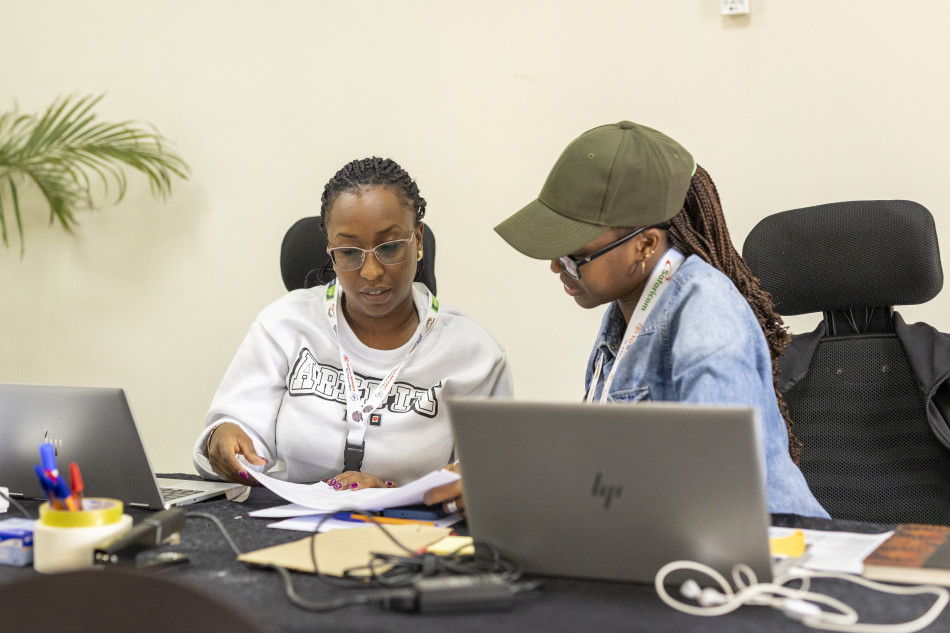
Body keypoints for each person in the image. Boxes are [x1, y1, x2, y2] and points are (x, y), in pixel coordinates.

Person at [427, 121, 827, 519]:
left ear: (646, 245)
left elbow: (713, 486)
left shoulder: (707, 312)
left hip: (774, 558)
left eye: (574, 256)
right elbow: (614, 463)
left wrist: (524, 487)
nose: (555, 267)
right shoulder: (627, 309)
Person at [193, 157, 513, 490]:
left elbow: (494, 479)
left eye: (389, 247)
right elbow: (240, 432)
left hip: (410, 532)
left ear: (418, 239)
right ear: (330, 251)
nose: (371, 271)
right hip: (287, 523)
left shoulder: (475, 355)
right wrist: (227, 437)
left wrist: (395, 496)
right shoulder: (284, 325)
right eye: (349, 252)